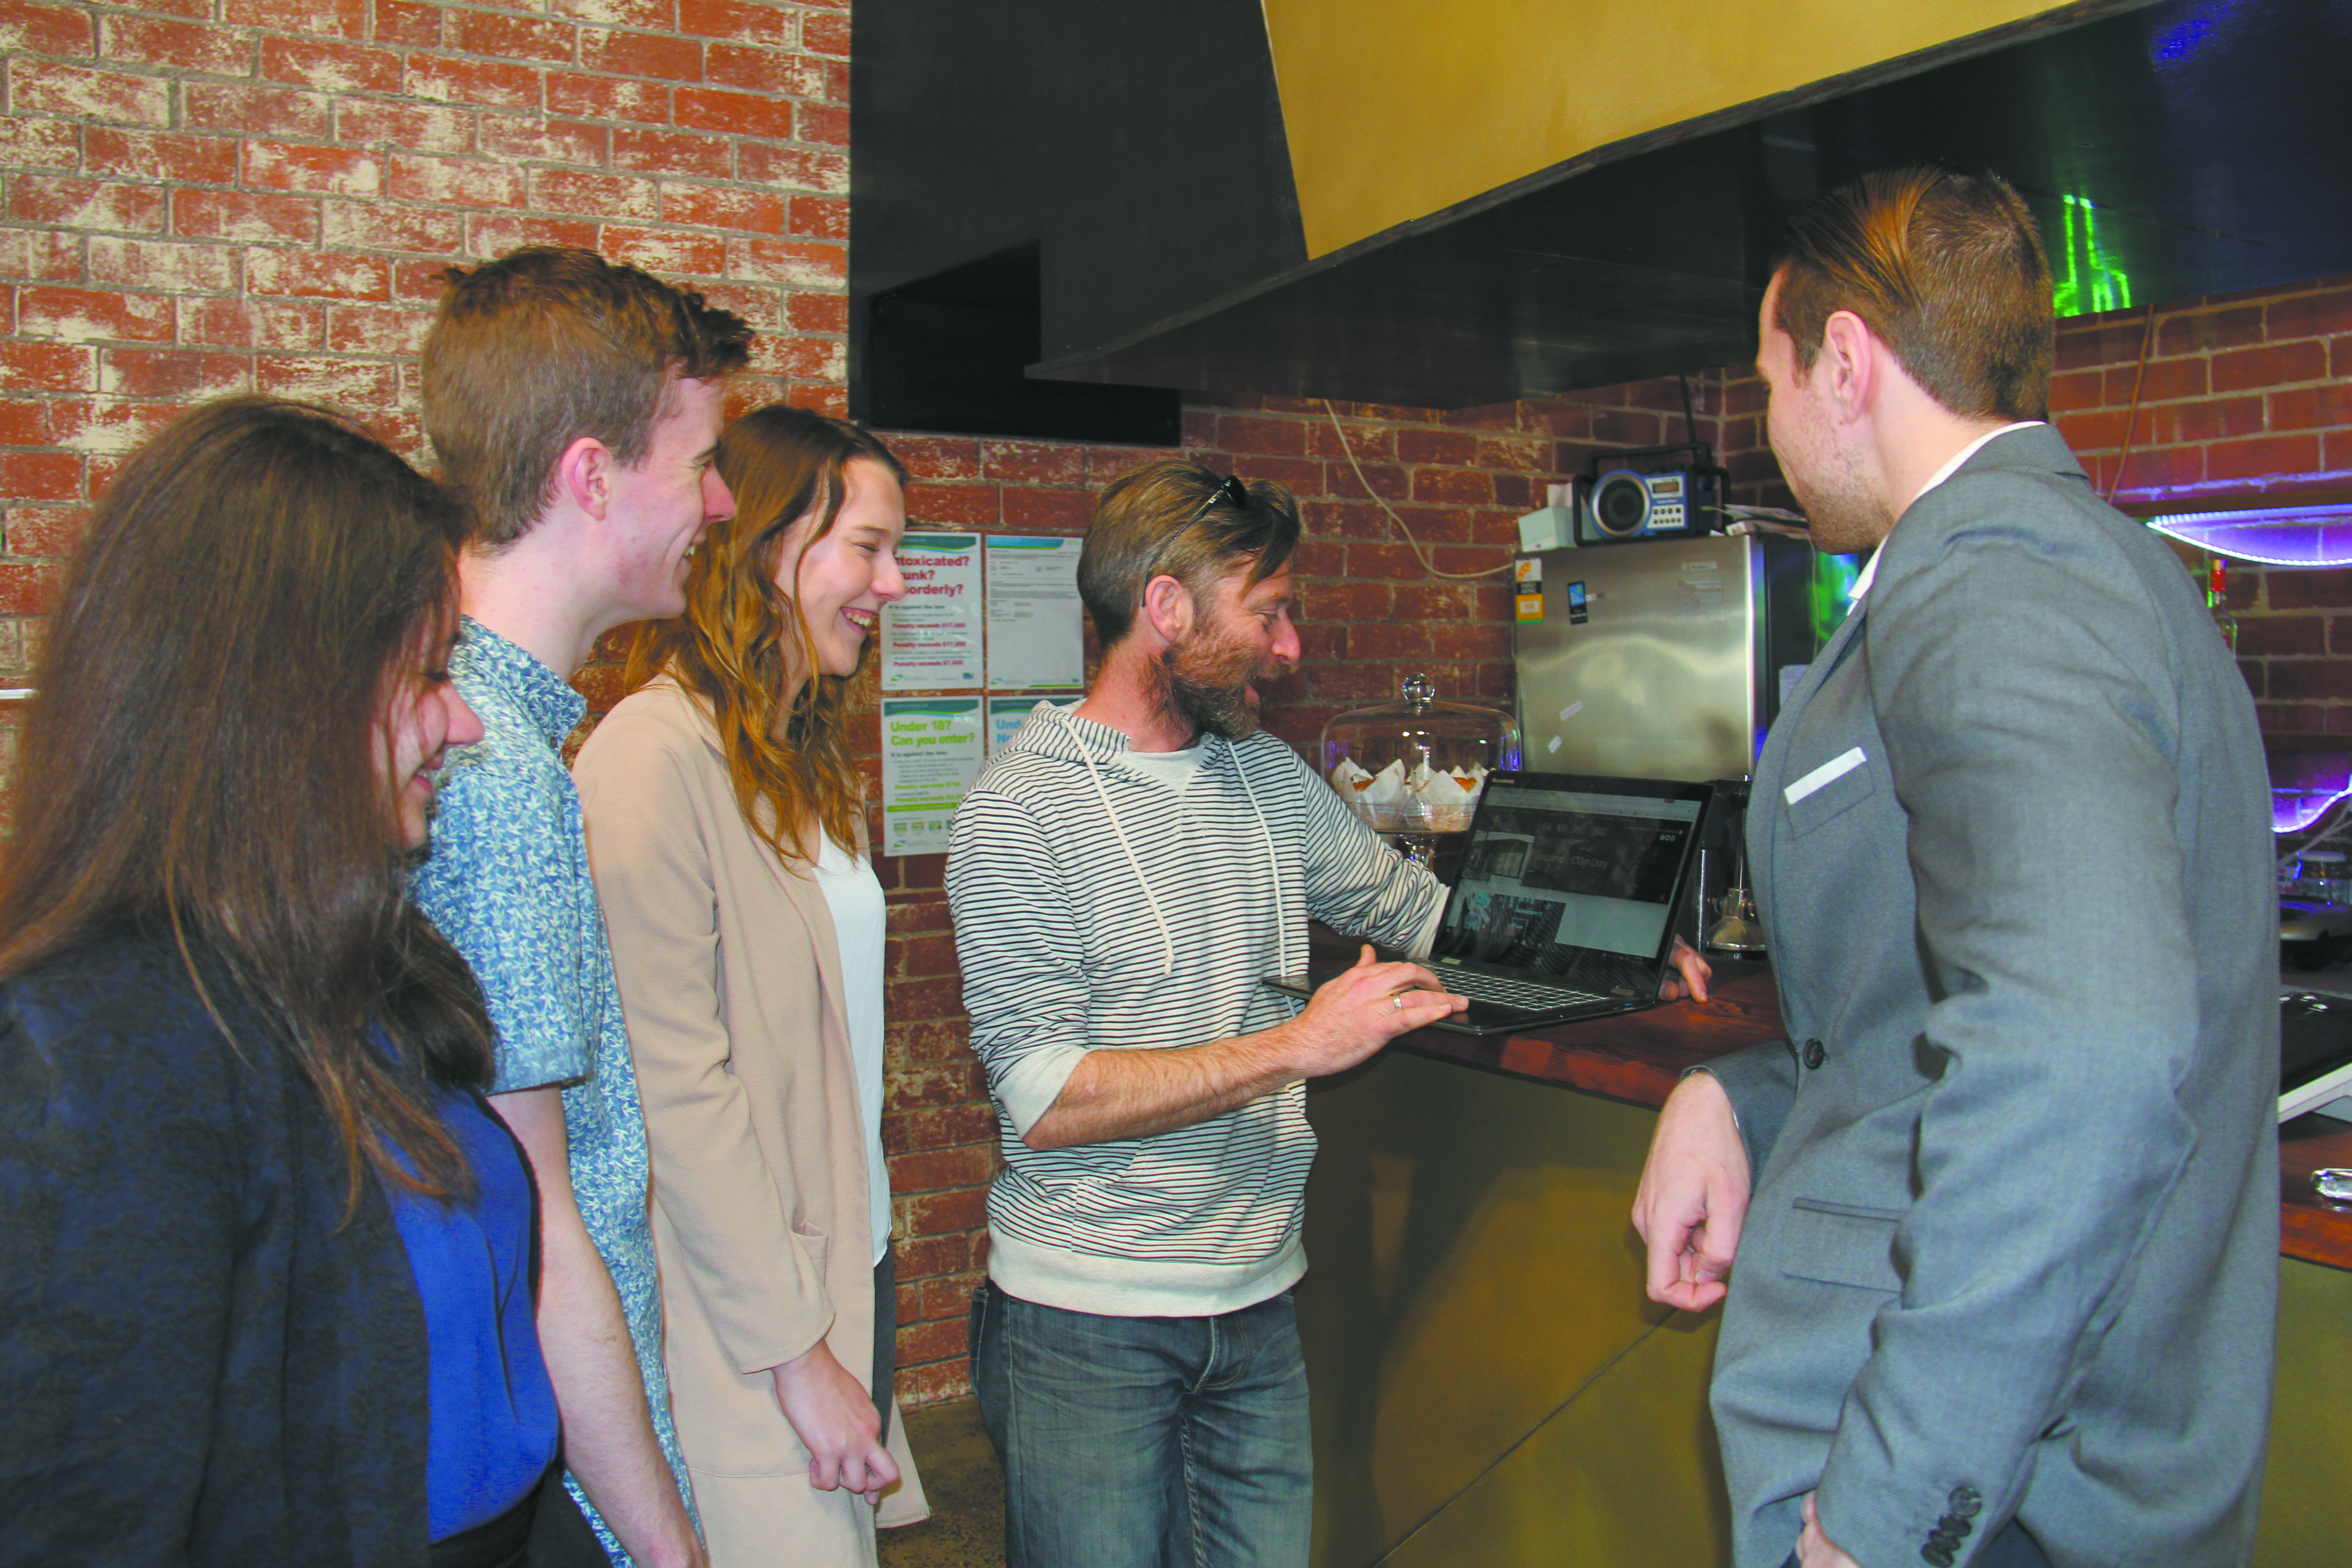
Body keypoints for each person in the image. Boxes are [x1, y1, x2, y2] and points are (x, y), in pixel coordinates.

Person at [1630, 166, 2277, 1568]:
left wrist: (1885, 1508)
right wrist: (1738, 1101)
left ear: (1845, 363)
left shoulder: (1995, 578)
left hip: (1995, 1494)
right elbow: (1930, 1011)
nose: (1772, 430)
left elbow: (2090, 1050)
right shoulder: (2075, 566)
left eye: (1770, 380)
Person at [947, 457, 1711, 1565]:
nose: (1291, 646)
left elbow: (1421, 909)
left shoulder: (1262, 776)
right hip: (1086, 1325)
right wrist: (1302, 1046)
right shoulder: (1019, 813)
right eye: (1269, 613)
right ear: (1165, 608)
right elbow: (1044, 1099)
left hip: (1259, 1306)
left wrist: (1616, 941)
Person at [0, 396, 599, 1565]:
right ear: (287, 697)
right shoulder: (97, 1053)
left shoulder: (362, 974)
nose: (466, 722)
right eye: (429, 675)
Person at [412, 247, 753, 1568]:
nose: (720, 502)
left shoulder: (460, 723)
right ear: (592, 474)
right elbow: (544, 1222)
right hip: (549, 1482)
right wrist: (663, 1542)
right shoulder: (493, 770)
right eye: (699, 461)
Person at [574, 405, 931, 1562]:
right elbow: (677, 1087)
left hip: (846, 1260)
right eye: (868, 548)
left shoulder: (803, 765)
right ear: (771, 545)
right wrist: (795, 1353)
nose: (895, 583)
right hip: (748, 1311)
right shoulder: (649, 754)